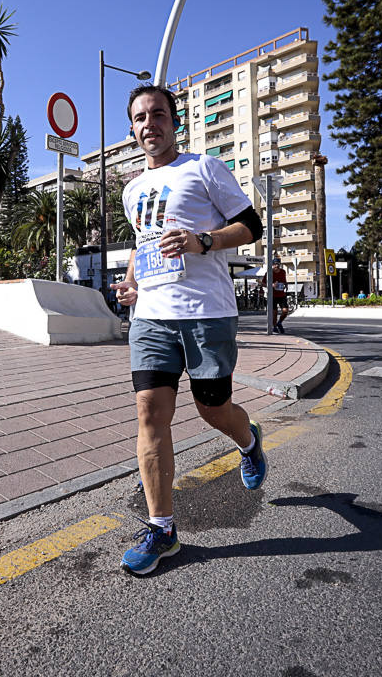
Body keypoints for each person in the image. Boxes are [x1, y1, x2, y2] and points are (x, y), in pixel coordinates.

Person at [109, 85, 267, 576]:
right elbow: (143, 243)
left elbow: (251, 226)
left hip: (206, 314)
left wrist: (203, 240)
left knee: (212, 407)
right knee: (150, 413)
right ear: (132, 129)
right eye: (139, 117)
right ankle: (162, 529)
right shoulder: (132, 189)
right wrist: (132, 284)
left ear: (175, 123)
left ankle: (248, 440)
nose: (148, 124)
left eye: (158, 114)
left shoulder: (204, 169)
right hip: (152, 316)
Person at [257, 256, 291, 333]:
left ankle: (279, 323)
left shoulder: (283, 272)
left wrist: (286, 284)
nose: (277, 265)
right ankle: (274, 327)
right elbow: (262, 284)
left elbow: (284, 280)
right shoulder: (269, 273)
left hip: (281, 294)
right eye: (275, 264)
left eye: (278, 264)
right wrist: (271, 285)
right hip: (272, 295)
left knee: (285, 311)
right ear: (272, 265)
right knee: (274, 313)